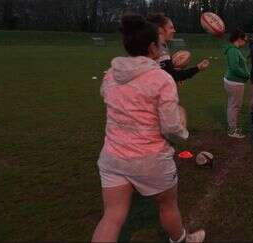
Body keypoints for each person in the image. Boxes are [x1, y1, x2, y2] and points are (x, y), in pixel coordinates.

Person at [92, 14, 205, 243]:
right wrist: (182, 124)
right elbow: (171, 127)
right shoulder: (161, 79)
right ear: (153, 47)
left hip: (113, 157)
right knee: (168, 206)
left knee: (111, 216)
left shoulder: (111, 74)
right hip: (149, 159)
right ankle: (181, 239)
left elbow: (110, 97)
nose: (163, 49)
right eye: (161, 45)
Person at [147, 13, 209, 83]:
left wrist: (171, 68)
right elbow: (173, 76)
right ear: (160, 30)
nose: (174, 30)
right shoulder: (159, 47)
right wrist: (198, 68)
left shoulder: (157, 45)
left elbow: (164, 73)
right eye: (171, 28)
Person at [223, 28, 249, 139]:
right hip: (235, 82)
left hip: (233, 81)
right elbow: (235, 68)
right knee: (235, 106)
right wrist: (246, 75)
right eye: (245, 40)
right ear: (239, 39)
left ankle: (232, 127)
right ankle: (232, 130)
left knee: (232, 105)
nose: (245, 43)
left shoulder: (233, 49)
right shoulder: (233, 50)